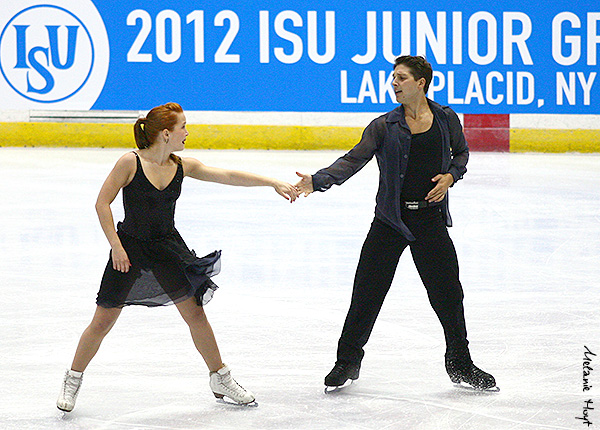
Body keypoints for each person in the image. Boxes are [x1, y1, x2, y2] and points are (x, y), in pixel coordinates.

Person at [57, 102, 299, 412]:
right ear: (166, 134)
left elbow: (226, 174)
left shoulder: (182, 166)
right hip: (130, 250)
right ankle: (73, 379)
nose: (187, 132)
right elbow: (102, 204)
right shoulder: (129, 163)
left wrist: (272, 182)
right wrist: (116, 246)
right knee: (103, 320)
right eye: (183, 127)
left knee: (196, 314)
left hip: (168, 249)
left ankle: (220, 377)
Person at [295, 56, 497, 391]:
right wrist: (317, 181)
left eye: (401, 78)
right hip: (390, 221)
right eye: (392, 77)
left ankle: (460, 364)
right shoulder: (384, 126)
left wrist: (450, 176)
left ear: (421, 83)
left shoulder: (446, 119)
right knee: (367, 293)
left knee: (448, 295)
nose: (393, 83)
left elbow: (460, 155)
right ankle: (346, 362)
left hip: (429, 221)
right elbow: (352, 160)